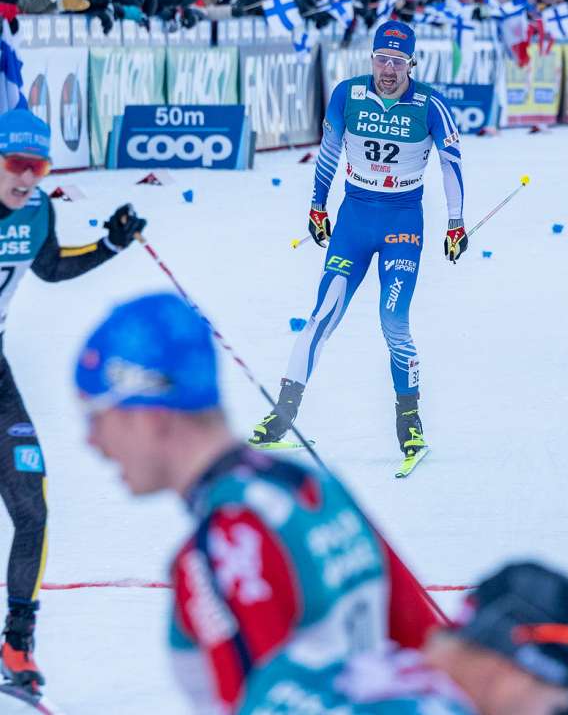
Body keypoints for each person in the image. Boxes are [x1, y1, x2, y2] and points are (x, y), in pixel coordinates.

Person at [76, 292, 448, 714]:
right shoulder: (316, 486)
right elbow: (435, 648)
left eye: (95, 416)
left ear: (149, 415)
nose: (92, 442)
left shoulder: (225, 544)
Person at [250, 20, 465, 475]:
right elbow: (329, 152)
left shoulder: (429, 105)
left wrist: (455, 222)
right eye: (381, 59)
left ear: (412, 63)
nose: (388, 70)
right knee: (322, 316)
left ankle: (409, 423)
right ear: (371, 58)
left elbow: (451, 165)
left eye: (398, 62)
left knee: (393, 320)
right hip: (353, 218)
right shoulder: (348, 94)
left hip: (403, 222)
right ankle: (282, 415)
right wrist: (316, 206)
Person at [0, 109, 145, 692]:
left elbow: (52, 265)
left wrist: (110, 244)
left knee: (32, 503)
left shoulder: (37, 210)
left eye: (38, 167)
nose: (27, 177)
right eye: (16, 163)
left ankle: (17, 644)